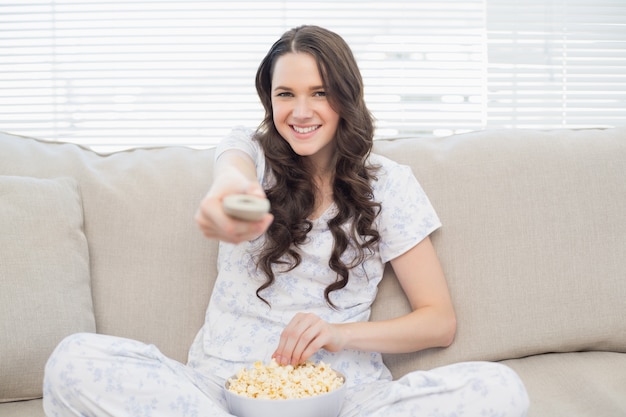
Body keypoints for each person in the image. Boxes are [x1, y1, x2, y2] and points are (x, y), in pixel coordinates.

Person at [43, 25, 529, 416]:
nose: (300, 112)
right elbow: (230, 176)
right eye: (285, 94)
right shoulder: (249, 153)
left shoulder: (390, 184)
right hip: (219, 393)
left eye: (319, 93)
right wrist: (234, 196)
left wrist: (339, 334)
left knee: (500, 389)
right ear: (268, 99)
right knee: (73, 360)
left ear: (345, 97)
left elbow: (438, 322)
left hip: (344, 398)